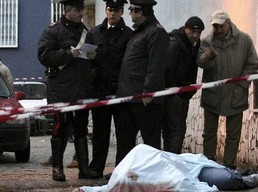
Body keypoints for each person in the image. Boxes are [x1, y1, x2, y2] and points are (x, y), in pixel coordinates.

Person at [38, 0, 101, 181]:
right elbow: (44, 56)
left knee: (81, 131)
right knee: (60, 129)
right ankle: (57, 169)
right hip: (61, 91)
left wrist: (93, 57)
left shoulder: (85, 32)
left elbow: (93, 64)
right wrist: (67, 54)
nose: (82, 13)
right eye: (79, 10)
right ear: (68, 11)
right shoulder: (52, 31)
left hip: (82, 90)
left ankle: (84, 168)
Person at [197, 10, 258, 169]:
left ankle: (229, 165)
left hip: (235, 94)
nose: (217, 29)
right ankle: (209, 164)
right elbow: (200, 63)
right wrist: (207, 57)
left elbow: (252, 64)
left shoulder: (244, 40)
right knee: (209, 133)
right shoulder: (207, 41)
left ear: (228, 23)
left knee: (233, 134)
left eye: (220, 25)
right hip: (213, 94)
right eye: (215, 26)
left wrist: (242, 85)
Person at [72, 144, 258, 192]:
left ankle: (252, 175)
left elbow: (183, 181)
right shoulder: (124, 181)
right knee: (228, 180)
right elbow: (106, 189)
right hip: (190, 173)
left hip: (191, 167)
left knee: (226, 177)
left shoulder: (132, 171)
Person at [115, 0, 169, 165]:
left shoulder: (156, 33)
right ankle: (122, 174)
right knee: (124, 141)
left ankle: (152, 175)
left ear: (140, 12)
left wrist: (149, 91)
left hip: (144, 100)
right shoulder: (138, 32)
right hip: (128, 97)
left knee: (150, 143)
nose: (129, 13)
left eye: (131, 9)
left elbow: (156, 65)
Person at [84, 0, 133, 179]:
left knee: (123, 134)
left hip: (121, 91)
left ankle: (121, 169)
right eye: (110, 10)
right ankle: (96, 168)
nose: (112, 14)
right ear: (106, 11)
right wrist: (90, 58)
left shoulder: (128, 34)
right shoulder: (94, 33)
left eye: (116, 10)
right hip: (100, 90)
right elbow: (86, 63)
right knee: (99, 133)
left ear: (122, 12)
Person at [162, 16, 204, 154]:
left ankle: (174, 158)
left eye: (198, 33)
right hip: (173, 93)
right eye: (192, 31)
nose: (195, 35)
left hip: (184, 92)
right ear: (185, 29)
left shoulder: (195, 44)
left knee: (179, 129)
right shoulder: (174, 43)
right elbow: (168, 69)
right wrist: (174, 90)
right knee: (174, 130)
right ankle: (172, 159)